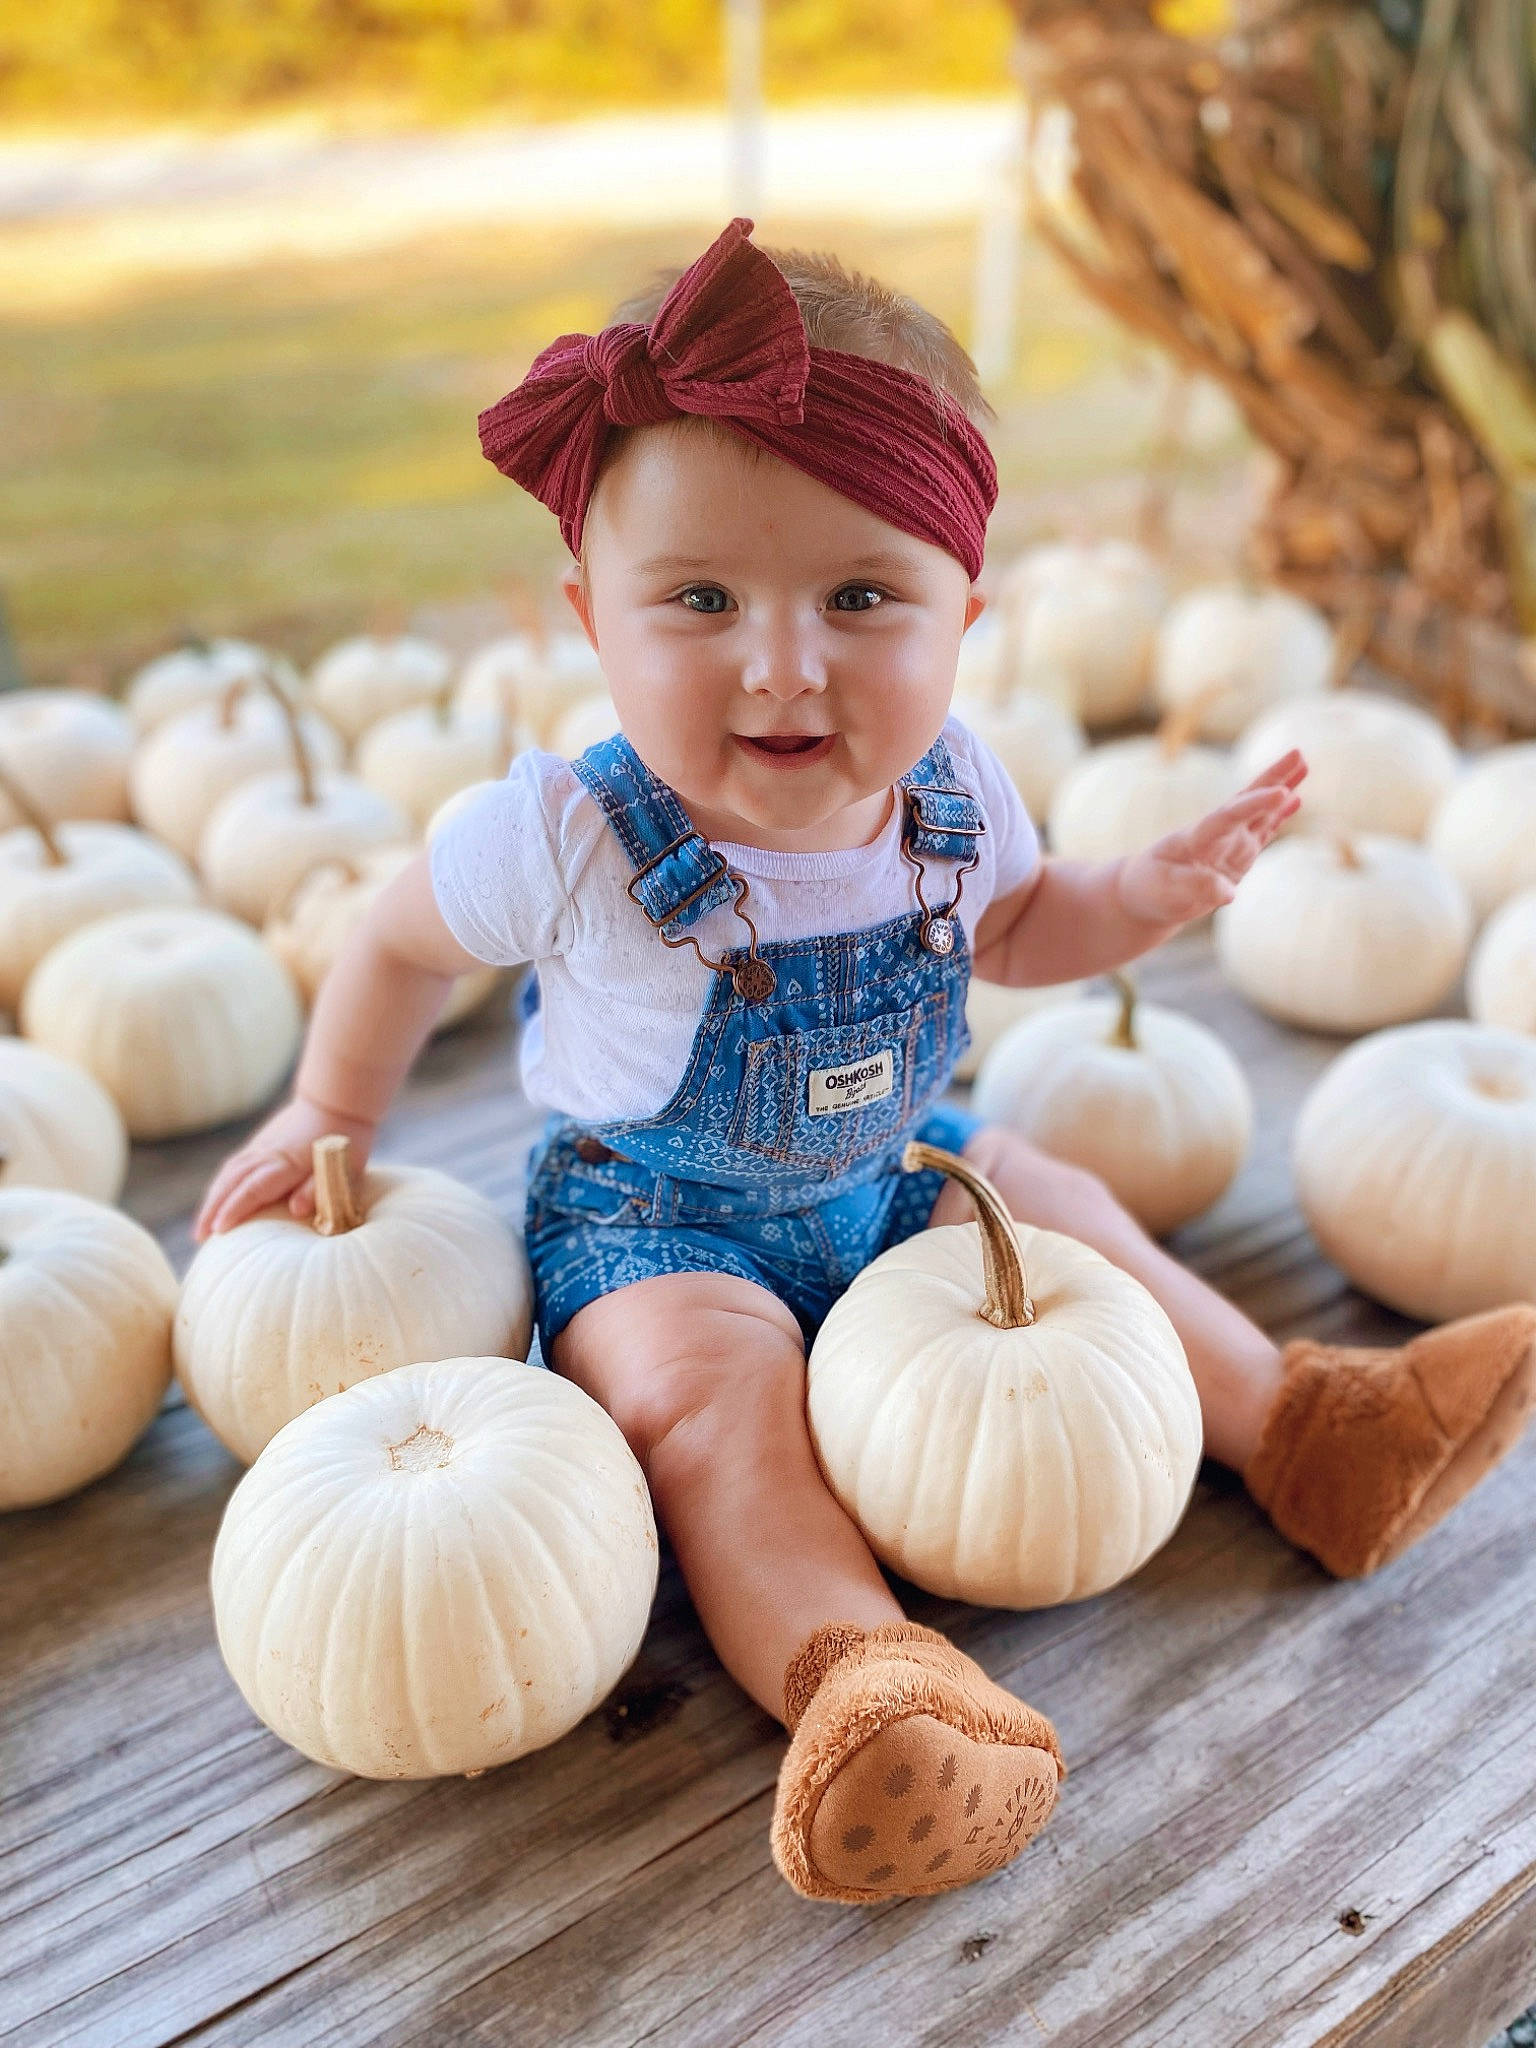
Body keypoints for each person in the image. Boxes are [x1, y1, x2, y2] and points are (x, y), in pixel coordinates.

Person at [194, 219, 1536, 1907]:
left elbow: (1028, 923)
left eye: (858, 597)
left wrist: (1150, 893)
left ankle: (1307, 1429)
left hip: (901, 1171)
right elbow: (391, 940)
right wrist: (333, 1108)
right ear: (586, 616)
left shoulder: (956, 795)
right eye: (700, 600)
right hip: (657, 1220)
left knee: (1065, 1201)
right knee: (706, 1405)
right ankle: (860, 1674)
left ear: (963, 610)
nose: (783, 663)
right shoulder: (566, 834)